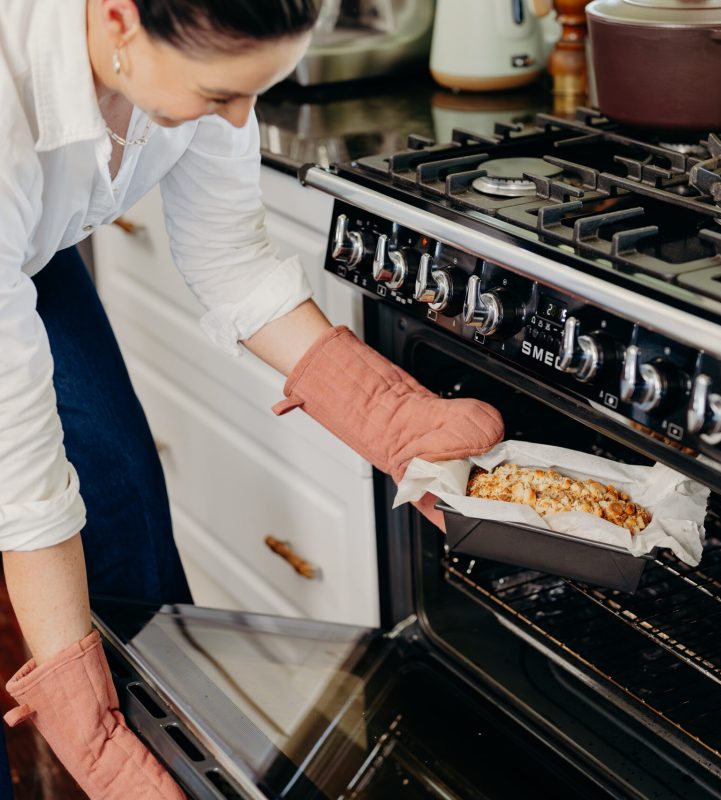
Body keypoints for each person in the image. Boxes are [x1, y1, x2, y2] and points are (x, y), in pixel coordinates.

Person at [0, 1, 505, 797]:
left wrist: (388, 413)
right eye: (217, 95)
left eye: (254, 93)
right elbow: (21, 474)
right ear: (118, 19)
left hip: (22, 249)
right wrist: (80, 725)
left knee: (120, 493)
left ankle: (158, 742)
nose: (238, 118)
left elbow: (229, 251)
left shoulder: (198, 48)